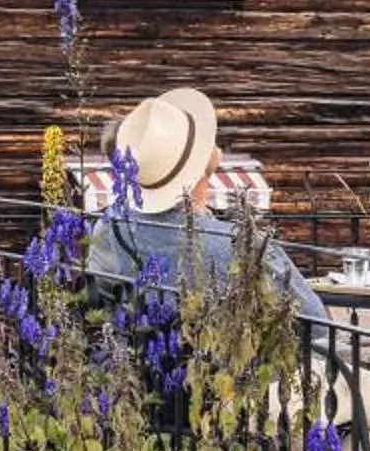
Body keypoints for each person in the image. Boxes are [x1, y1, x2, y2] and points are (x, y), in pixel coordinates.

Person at [85, 86, 329, 322]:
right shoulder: (243, 246)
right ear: (201, 164)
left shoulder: (110, 231)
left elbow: (102, 304)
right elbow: (315, 324)